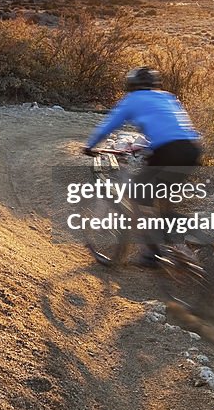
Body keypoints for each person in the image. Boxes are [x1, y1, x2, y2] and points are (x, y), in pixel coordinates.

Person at [83, 66, 203, 267]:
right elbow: (175, 128)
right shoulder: (167, 97)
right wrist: (149, 145)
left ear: (131, 85)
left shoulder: (132, 99)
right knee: (163, 199)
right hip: (191, 150)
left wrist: (90, 145)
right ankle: (175, 245)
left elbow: (109, 124)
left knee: (135, 194)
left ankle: (152, 254)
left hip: (168, 151)